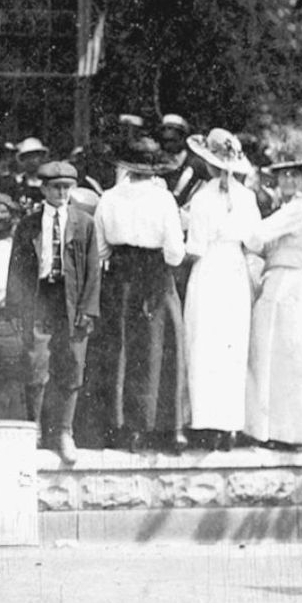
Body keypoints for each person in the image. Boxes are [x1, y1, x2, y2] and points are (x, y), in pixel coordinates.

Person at [88, 137, 186, 452]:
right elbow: (174, 254)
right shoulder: (164, 200)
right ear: (154, 170)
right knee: (158, 346)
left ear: (127, 168)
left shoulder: (108, 199)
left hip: (120, 277)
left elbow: (101, 250)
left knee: (120, 347)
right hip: (155, 273)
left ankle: (120, 426)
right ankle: (160, 427)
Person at [5, 160, 100, 461]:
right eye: (56, 187)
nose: (61, 193)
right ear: (44, 188)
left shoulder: (83, 223)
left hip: (71, 300)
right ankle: (33, 428)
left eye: (67, 188)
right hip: (40, 297)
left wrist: (87, 308)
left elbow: (93, 270)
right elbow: (16, 270)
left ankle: (64, 431)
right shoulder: (29, 224)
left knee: (72, 364)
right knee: (36, 362)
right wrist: (17, 308)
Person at [180, 129, 262, 451]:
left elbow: (196, 246)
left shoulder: (201, 199)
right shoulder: (247, 197)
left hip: (210, 268)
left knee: (204, 345)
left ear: (209, 164)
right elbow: (255, 240)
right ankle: (228, 425)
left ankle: (204, 424)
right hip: (234, 269)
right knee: (231, 346)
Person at [243, 159, 302, 447]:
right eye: (284, 176)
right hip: (278, 279)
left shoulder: (300, 209)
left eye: (295, 176)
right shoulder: (286, 210)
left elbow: (255, 235)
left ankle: (287, 432)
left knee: (287, 355)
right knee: (271, 353)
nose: (289, 181)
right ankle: (269, 428)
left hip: (289, 282)